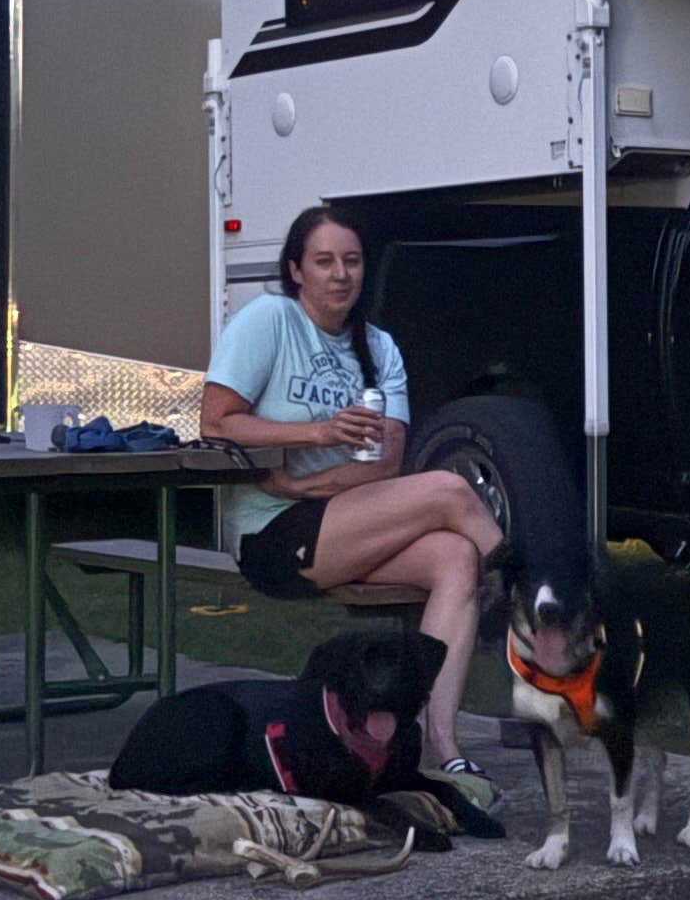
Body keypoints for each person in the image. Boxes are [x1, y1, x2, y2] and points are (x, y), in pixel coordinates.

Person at [199, 203, 500, 791]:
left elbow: (386, 464)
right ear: (296, 271)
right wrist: (315, 433)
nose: (340, 274)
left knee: (456, 557)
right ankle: (530, 597)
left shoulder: (380, 347)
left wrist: (308, 481)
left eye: (352, 261)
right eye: (324, 261)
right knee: (449, 489)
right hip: (272, 531)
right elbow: (216, 421)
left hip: (337, 517)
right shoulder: (270, 321)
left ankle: (436, 744)